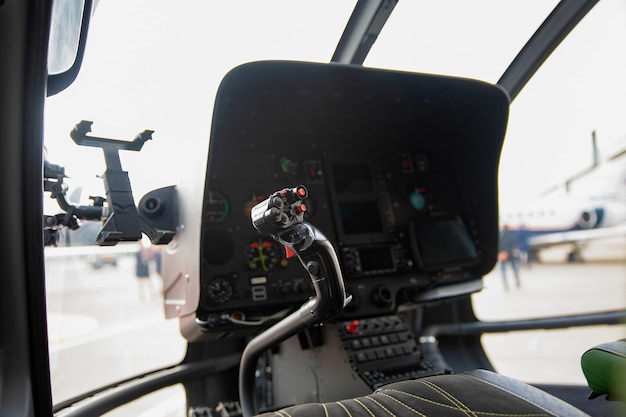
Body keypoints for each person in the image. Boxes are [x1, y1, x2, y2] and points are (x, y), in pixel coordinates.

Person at [498, 224, 521, 290]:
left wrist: (501, 252)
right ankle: (517, 281)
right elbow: (514, 244)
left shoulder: (500, 235)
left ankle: (505, 284)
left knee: (503, 271)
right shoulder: (511, 235)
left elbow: (498, 244)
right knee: (515, 269)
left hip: (503, 254)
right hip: (510, 254)